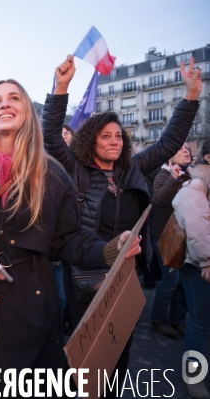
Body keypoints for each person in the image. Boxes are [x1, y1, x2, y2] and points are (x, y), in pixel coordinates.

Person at [0, 76, 141, 398]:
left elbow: (69, 238)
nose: (5, 103)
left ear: (28, 112)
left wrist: (113, 248)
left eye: (15, 98)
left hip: (30, 308)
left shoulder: (54, 175)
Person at [43, 55, 201, 396]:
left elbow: (168, 143)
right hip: (85, 271)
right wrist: (60, 88)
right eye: (105, 136)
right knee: (88, 349)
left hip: (125, 270)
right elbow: (51, 137)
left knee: (119, 344)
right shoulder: (76, 169)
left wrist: (190, 97)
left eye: (118, 136)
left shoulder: (133, 168)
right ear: (91, 141)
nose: (115, 141)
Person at [172, 140, 210, 399]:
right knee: (200, 323)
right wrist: (206, 260)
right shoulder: (195, 187)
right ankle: (194, 378)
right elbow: (197, 227)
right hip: (197, 266)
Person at [150, 144, 191, 338]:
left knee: (182, 281)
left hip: (183, 237)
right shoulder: (163, 176)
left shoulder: (191, 176)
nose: (187, 151)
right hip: (164, 236)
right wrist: (174, 178)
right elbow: (159, 200)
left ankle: (178, 319)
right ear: (169, 158)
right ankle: (159, 319)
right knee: (171, 279)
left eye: (188, 148)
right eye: (181, 149)